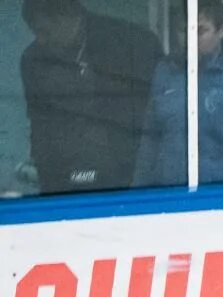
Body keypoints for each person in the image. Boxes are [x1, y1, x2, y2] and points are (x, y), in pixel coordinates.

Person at [133, 0, 223, 186]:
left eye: (200, 31)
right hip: (168, 202)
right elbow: (149, 148)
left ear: (222, 30)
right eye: (183, 30)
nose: (189, 40)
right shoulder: (165, 72)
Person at [18, 0, 159, 194]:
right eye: (35, 33)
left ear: (67, 18)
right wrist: (47, 176)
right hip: (63, 179)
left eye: (45, 31)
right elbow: (39, 123)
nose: (40, 40)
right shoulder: (33, 60)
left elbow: (154, 115)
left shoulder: (132, 43)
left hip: (125, 176)